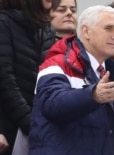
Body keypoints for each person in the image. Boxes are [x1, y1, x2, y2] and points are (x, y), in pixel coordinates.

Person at [29, 5, 114, 155]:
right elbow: (51, 104)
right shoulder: (57, 63)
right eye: (109, 28)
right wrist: (92, 95)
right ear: (86, 31)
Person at [0, 0, 55, 154]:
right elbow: (6, 82)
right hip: (10, 130)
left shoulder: (47, 28)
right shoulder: (4, 22)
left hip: (42, 127)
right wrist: (32, 124)